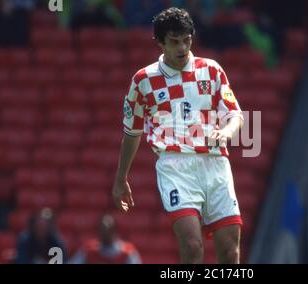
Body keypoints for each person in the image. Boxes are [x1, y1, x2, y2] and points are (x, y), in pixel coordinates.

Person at [112, 7, 244, 264]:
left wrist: (226, 132)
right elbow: (132, 131)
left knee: (230, 251)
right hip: (175, 166)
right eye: (174, 42)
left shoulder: (212, 70)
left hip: (215, 163)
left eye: (186, 39)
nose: (182, 47)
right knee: (192, 246)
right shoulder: (144, 80)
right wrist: (121, 178)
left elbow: (235, 114)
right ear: (160, 42)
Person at [70, 214, 142, 264]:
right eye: (102, 230)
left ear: (113, 231)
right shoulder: (89, 250)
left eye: (107, 230)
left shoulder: (127, 252)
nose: (104, 234)